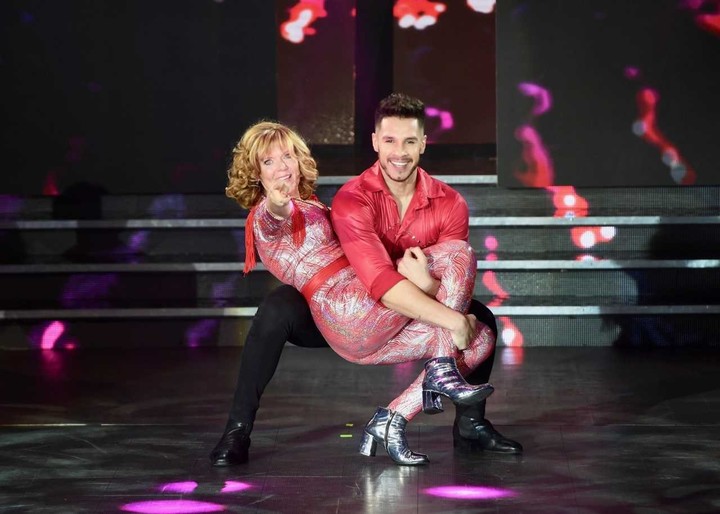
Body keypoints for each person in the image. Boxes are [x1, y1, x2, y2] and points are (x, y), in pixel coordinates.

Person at [210, 93, 522, 467]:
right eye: (268, 161)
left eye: (288, 156)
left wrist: (430, 289)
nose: (282, 167)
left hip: (373, 311)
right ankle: (237, 429)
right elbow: (276, 216)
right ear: (375, 142)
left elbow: (441, 286)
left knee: (481, 327)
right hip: (349, 305)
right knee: (276, 308)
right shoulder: (309, 205)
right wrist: (276, 200)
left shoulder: (446, 202)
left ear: (423, 144)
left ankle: (400, 421)